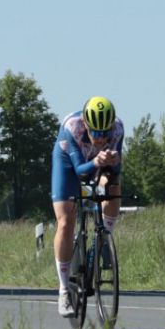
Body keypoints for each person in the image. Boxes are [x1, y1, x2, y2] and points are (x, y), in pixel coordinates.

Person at [51, 95, 123, 314]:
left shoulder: (118, 129)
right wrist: (96, 161)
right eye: (96, 133)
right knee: (66, 222)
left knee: (113, 187)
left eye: (105, 133)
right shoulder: (72, 128)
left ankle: (103, 238)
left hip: (97, 162)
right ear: (86, 125)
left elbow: (115, 170)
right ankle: (64, 291)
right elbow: (80, 171)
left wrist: (112, 163)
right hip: (69, 164)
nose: (101, 139)